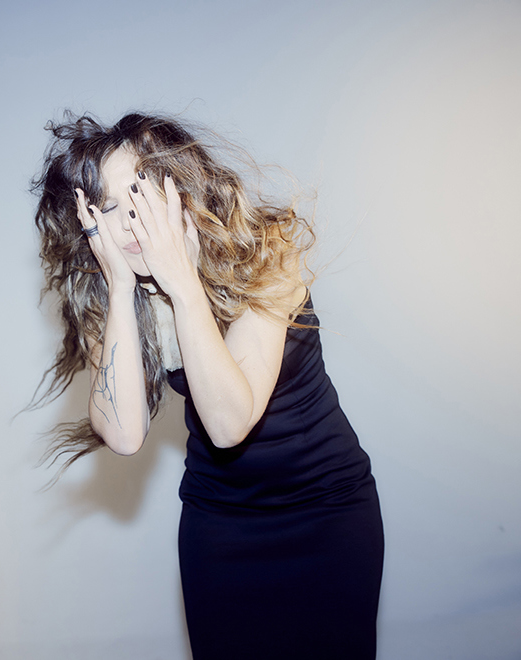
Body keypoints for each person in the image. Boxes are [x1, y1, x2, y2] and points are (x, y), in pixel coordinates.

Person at [31, 111, 383, 659]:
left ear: (182, 184)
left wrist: (182, 282)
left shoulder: (266, 251)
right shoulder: (114, 300)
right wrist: (120, 290)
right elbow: (123, 434)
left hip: (326, 510)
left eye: (139, 194)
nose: (130, 223)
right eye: (108, 208)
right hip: (222, 523)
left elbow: (229, 423)